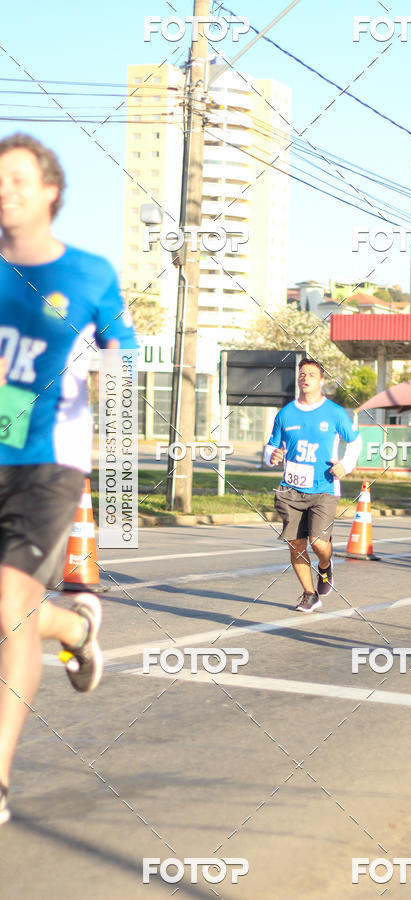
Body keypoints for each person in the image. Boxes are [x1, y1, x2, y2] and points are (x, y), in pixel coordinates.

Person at [0, 133, 136, 824]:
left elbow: (124, 353)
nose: (6, 190)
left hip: (48, 459)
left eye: (18, 178)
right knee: (13, 611)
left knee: (8, 602)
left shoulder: (87, 273)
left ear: (50, 190)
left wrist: (101, 381)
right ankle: (78, 629)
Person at [264, 358, 362, 613]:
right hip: (291, 489)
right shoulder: (285, 413)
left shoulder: (335, 413)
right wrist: (272, 456)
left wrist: (345, 465)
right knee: (296, 544)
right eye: (302, 374)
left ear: (322, 381)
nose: (305, 378)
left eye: (311, 374)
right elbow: (271, 446)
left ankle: (325, 566)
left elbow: (355, 442)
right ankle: (309, 594)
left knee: (318, 542)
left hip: (324, 487)